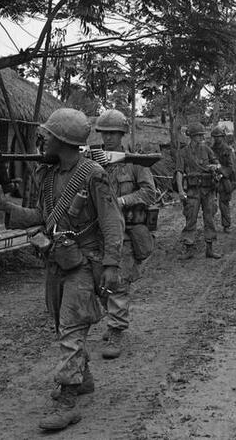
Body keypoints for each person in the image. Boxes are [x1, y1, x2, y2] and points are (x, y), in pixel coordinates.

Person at [0, 108, 126, 432]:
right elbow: (41, 215)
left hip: (83, 263)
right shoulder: (48, 176)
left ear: (62, 140)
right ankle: (83, 379)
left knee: (71, 329)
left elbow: (112, 222)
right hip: (57, 261)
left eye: (48, 135)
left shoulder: (93, 174)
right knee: (61, 325)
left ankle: (68, 402)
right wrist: (7, 209)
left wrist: (111, 264)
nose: (43, 139)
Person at [94, 109, 156, 360]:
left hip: (126, 232)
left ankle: (117, 329)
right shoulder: (93, 161)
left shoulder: (134, 163)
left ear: (121, 135)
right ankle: (112, 318)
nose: (108, 138)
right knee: (96, 282)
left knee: (118, 282)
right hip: (99, 233)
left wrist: (121, 201)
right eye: (104, 133)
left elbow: (149, 193)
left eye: (113, 133)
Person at [175, 123, 223, 260]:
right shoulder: (183, 153)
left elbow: (217, 164)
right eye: (198, 135)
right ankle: (189, 248)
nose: (200, 138)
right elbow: (179, 172)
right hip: (192, 190)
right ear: (191, 136)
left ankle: (210, 249)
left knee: (209, 219)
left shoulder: (207, 149)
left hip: (207, 189)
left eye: (201, 135)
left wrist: (214, 167)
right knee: (190, 219)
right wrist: (180, 191)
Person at [210, 126, 236, 233]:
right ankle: (210, 224)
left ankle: (226, 225)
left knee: (224, 203)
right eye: (215, 137)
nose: (217, 139)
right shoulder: (211, 149)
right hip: (212, 178)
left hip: (225, 179)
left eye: (219, 136)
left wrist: (221, 171)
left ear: (223, 137)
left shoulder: (228, 150)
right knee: (210, 203)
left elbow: (232, 167)